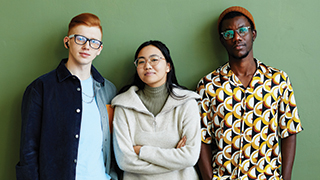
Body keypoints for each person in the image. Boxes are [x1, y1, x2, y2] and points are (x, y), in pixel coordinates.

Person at [196, 6, 303, 180]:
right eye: (229, 34)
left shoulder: (278, 80)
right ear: (222, 40)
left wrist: (286, 177)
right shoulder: (208, 85)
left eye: (242, 30)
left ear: (253, 34)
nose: (237, 37)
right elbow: (202, 139)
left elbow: (289, 131)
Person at [16, 13, 118, 180]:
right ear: (67, 41)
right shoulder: (41, 88)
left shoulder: (109, 90)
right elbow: (29, 150)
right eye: (80, 38)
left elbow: (113, 144)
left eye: (94, 42)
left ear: (99, 49)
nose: (87, 46)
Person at [112, 40, 201, 180]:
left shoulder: (187, 103)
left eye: (154, 60)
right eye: (141, 62)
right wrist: (174, 160)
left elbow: (190, 157)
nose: (147, 66)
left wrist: (141, 151)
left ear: (168, 66)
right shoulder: (123, 105)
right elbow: (124, 161)